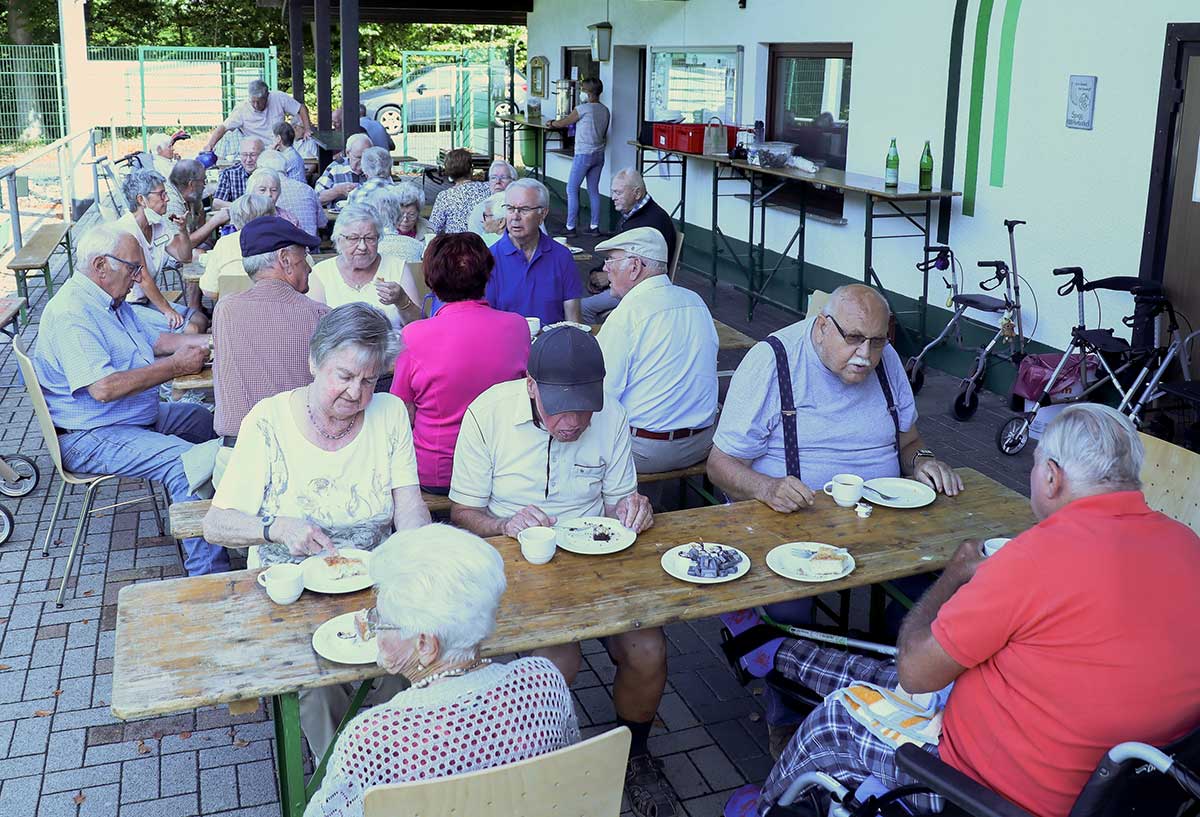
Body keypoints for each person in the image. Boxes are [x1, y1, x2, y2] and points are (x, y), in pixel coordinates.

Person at [757, 403, 1200, 817]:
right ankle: (776, 653)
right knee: (880, 673)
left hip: (987, 791)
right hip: (1129, 790)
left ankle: (764, 807)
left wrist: (953, 576)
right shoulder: (1187, 546)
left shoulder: (1035, 558)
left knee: (837, 715)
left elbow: (915, 669)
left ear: (1051, 477)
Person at [707, 283, 962, 757]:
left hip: (881, 521)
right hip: (790, 525)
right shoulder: (773, 362)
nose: (866, 356)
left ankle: (890, 686)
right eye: (854, 340)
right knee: (789, 607)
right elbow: (719, 464)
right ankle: (787, 715)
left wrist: (923, 459)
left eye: (879, 341)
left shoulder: (886, 363)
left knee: (942, 579)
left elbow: (909, 441)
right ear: (821, 327)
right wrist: (766, 487)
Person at [449, 325, 676, 817]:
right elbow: (463, 513)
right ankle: (531, 763)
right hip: (520, 560)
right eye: (559, 408)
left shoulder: (611, 414)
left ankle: (635, 755)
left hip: (597, 559)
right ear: (531, 385)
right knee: (558, 662)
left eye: (583, 408)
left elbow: (620, 498)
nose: (573, 422)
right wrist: (505, 523)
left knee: (648, 648)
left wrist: (633, 509)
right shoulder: (487, 414)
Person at [203, 303, 432, 758]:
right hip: (293, 596)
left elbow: (409, 503)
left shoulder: (389, 414)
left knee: (407, 660)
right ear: (313, 362)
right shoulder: (267, 422)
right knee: (319, 685)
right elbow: (215, 523)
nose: (356, 393)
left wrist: (416, 556)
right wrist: (275, 528)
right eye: (344, 376)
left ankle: (379, 764)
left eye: (369, 380)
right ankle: (344, 777)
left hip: (373, 585)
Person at [302, 524, 579, 817]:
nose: (374, 628)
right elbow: (565, 781)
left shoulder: (372, 740)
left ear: (425, 644)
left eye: (380, 618)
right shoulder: (545, 682)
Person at [33, 224, 227, 576]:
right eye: (133, 268)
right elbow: (104, 388)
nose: (139, 279)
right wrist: (174, 367)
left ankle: (231, 514)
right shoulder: (72, 314)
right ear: (100, 266)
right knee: (187, 464)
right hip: (89, 434)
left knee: (212, 421)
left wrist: (209, 342)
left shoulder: (110, 300)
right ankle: (209, 576)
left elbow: (157, 342)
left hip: (125, 416)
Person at [390, 233, 530, 493]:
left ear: (431, 279)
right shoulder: (518, 326)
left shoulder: (414, 335)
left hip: (439, 471)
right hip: (502, 466)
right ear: (486, 274)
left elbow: (402, 413)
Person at [594, 227, 717, 497]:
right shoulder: (695, 301)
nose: (605, 268)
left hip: (648, 451)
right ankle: (656, 502)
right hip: (703, 442)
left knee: (569, 429)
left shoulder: (627, 314)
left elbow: (602, 395)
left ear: (635, 266)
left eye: (611, 261)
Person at [212, 216, 328, 442]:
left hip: (236, 453)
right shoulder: (320, 314)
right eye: (304, 258)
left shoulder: (224, 310)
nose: (309, 268)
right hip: (302, 448)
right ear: (284, 259)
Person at [113, 169, 207, 335]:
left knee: (201, 320)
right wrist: (167, 310)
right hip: (127, 306)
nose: (168, 199)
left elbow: (184, 257)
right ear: (141, 200)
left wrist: (183, 230)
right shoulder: (127, 231)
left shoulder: (157, 223)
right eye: (161, 194)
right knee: (192, 330)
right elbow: (144, 279)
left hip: (147, 301)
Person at [582, 168, 678, 323]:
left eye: (618, 193)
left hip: (640, 290)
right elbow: (617, 253)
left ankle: (597, 346)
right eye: (613, 192)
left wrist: (607, 277)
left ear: (637, 193)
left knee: (581, 307)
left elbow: (642, 267)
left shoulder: (650, 222)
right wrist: (597, 273)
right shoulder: (632, 215)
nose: (613, 197)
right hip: (629, 280)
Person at [308, 204, 423, 330]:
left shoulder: (397, 267)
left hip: (392, 348)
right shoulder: (321, 274)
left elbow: (419, 327)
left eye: (370, 238)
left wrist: (402, 300)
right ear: (338, 239)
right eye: (353, 238)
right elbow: (314, 330)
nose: (362, 246)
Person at [486, 179, 583, 325]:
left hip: (551, 345)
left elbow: (573, 320)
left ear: (543, 214)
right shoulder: (488, 260)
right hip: (505, 345)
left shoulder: (562, 257)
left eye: (524, 209)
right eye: (510, 208)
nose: (515, 216)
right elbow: (485, 319)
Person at [546, 77, 609, 237]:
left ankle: (570, 227)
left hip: (583, 154)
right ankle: (594, 227)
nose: (581, 92)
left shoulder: (583, 108)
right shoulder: (605, 110)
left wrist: (552, 123)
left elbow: (564, 122)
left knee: (572, 189)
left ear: (587, 92)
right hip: (599, 154)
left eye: (582, 89)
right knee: (593, 190)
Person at [198, 194, 277, 300]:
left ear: (234, 222)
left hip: (232, 312)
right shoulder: (283, 242)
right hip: (276, 310)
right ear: (272, 218)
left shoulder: (224, 243)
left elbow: (209, 291)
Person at [202, 79, 312, 155]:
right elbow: (223, 127)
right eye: (253, 102)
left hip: (280, 148)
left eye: (259, 102)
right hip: (258, 152)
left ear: (267, 96)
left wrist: (307, 129)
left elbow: (300, 108)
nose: (256, 105)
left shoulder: (278, 97)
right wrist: (209, 145)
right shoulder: (242, 109)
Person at [257, 149, 326, 236]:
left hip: (279, 246)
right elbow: (322, 223)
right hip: (311, 246)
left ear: (261, 169)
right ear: (286, 167)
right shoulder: (307, 189)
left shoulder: (261, 192)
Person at [166, 160, 228, 251]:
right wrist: (215, 221)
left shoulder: (192, 195)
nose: (204, 185)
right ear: (191, 184)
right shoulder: (170, 202)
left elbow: (201, 222)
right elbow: (181, 246)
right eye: (203, 181)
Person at [428, 148, 490, 234]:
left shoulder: (445, 196)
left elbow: (433, 229)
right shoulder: (487, 188)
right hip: (482, 244)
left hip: (456, 245)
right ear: (471, 169)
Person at [373, 187, 427, 265]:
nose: (405, 220)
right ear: (392, 214)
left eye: (411, 215)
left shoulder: (428, 230)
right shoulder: (379, 232)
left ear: (418, 214)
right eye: (400, 215)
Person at [315, 133, 370, 206]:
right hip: (340, 216)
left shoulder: (376, 168)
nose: (363, 162)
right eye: (358, 158)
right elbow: (316, 197)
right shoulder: (336, 168)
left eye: (367, 158)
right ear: (348, 153)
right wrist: (338, 191)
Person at [466, 159, 518, 235]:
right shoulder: (481, 209)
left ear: (513, 182)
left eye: (503, 177)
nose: (498, 182)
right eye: (493, 178)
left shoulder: (523, 206)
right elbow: (474, 240)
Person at [213, 137, 264, 208]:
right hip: (239, 216)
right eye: (245, 155)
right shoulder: (229, 173)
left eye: (253, 155)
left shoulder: (268, 173)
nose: (248, 159)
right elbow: (217, 202)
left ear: (262, 155)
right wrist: (242, 208)